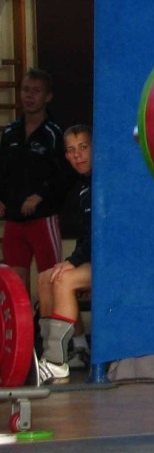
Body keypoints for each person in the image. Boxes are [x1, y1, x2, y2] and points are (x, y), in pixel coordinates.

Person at [0, 69, 73, 292]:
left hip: (43, 218)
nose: (29, 96)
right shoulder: (11, 132)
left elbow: (66, 174)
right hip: (13, 219)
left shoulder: (55, 133)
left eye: (36, 91)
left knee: (49, 280)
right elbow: (3, 170)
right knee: (15, 283)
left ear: (48, 96)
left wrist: (41, 194)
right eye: (26, 90)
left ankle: (49, 325)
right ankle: (25, 327)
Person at [35, 124, 92, 384]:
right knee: (46, 277)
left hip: (117, 262)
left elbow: (102, 235)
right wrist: (71, 261)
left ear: (94, 148)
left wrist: (73, 261)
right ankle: (74, 350)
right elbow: (86, 236)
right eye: (71, 151)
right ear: (66, 157)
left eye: (83, 148)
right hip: (93, 259)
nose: (78, 155)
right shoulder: (82, 186)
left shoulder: (105, 182)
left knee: (64, 279)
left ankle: (56, 362)